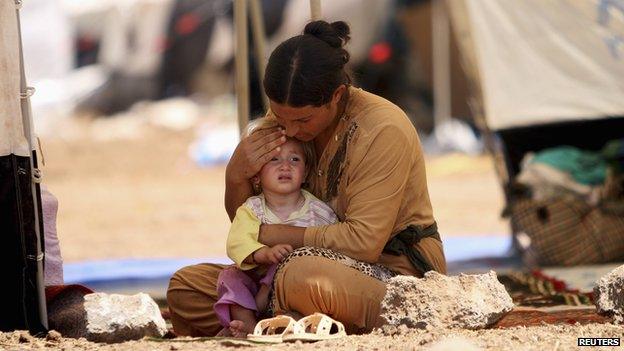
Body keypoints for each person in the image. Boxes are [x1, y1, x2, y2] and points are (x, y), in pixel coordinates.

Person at [167, 20, 446, 336]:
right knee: (186, 286)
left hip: (394, 277)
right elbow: (250, 223)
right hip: (284, 273)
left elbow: (363, 243)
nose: (291, 130)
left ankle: (276, 319)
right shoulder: (284, 122)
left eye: (302, 119)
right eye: (280, 116)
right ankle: (281, 320)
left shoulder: (382, 129)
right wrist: (237, 175)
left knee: (299, 276)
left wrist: (275, 235)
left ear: (337, 95)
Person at [214, 118, 337, 337]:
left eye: (294, 159)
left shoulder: (319, 212)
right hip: (255, 281)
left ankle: (282, 324)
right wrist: (263, 253)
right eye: (274, 159)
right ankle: (248, 326)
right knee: (229, 277)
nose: (285, 166)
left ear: (306, 172)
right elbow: (237, 241)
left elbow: (332, 248)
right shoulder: (252, 209)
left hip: (291, 288)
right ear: (257, 176)